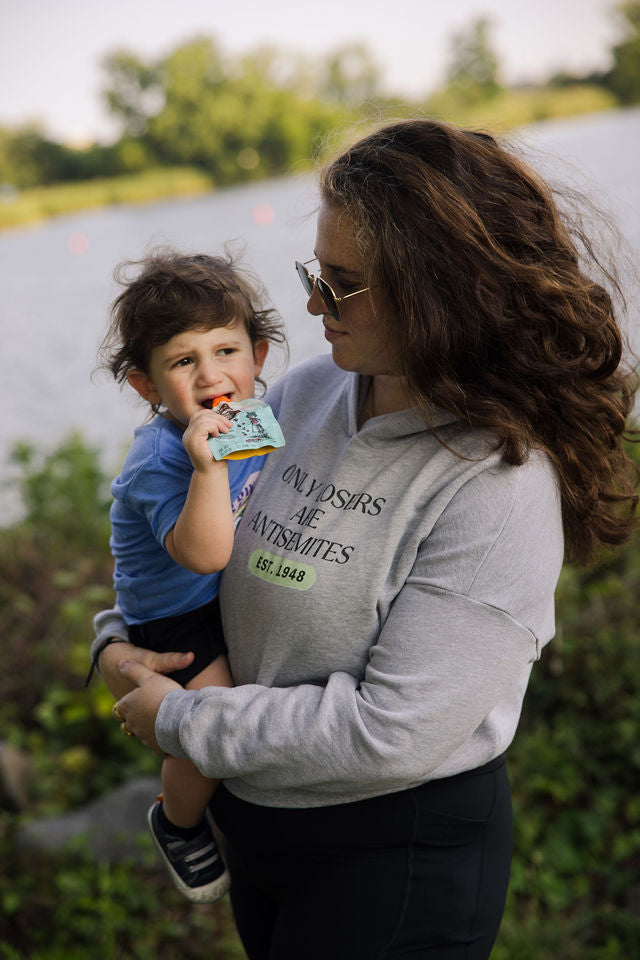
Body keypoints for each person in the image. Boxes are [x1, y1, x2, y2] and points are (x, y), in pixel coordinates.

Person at [92, 119, 638, 958]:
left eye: (341, 285)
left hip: (391, 862)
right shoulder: (308, 393)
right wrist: (121, 641)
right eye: (317, 273)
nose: (312, 305)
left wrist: (184, 723)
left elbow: (391, 731)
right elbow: (179, 525)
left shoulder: (496, 481)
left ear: (436, 290)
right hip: (262, 834)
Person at [95, 249, 286, 903]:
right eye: (183, 361)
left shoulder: (247, 417)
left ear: (257, 356)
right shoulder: (159, 460)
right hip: (173, 613)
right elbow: (203, 553)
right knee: (208, 720)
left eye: (226, 350)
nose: (211, 375)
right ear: (147, 387)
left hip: (221, 592)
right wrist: (206, 470)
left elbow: (266, 488)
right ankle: (177, 822)